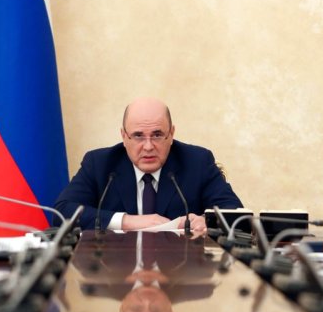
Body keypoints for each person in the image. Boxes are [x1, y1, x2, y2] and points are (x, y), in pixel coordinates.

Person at [54, 97, 243, 232]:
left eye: (157, 135)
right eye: (138, 136)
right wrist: (128, 221)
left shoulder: (197, 162)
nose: (148, 146)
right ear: (124, 136)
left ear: (171, 134)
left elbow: (236, 215)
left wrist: (205, 221)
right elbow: (62, 212)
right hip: (117, 270)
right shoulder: (100, 164)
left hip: (180, 270)